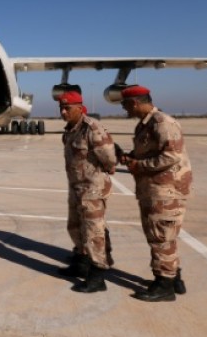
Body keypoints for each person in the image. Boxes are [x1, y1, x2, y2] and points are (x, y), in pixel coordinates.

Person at [118, 85, 192, 302]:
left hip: (165, 191)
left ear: (134, 103)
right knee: (164, 237)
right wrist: (131, 157)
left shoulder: (162, 123)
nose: (124, 109)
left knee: (161, 238)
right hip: (156, 189)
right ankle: (174, 278)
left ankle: (164, 286)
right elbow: (151, 152)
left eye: (125, 105)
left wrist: (138, 165)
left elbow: (171, 157)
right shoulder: (146, 124)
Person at [56, 91, 118, 293]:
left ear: (79, 107)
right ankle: (81, 262)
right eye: (61, 108)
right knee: (75, 227)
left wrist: (100, 174)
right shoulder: (70, 130)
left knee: (93, 231)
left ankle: (98, 275)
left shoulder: (92, 128)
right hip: (76, 188)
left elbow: (109, 157)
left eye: (67, 108)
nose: (63, 112)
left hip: (93, 188)